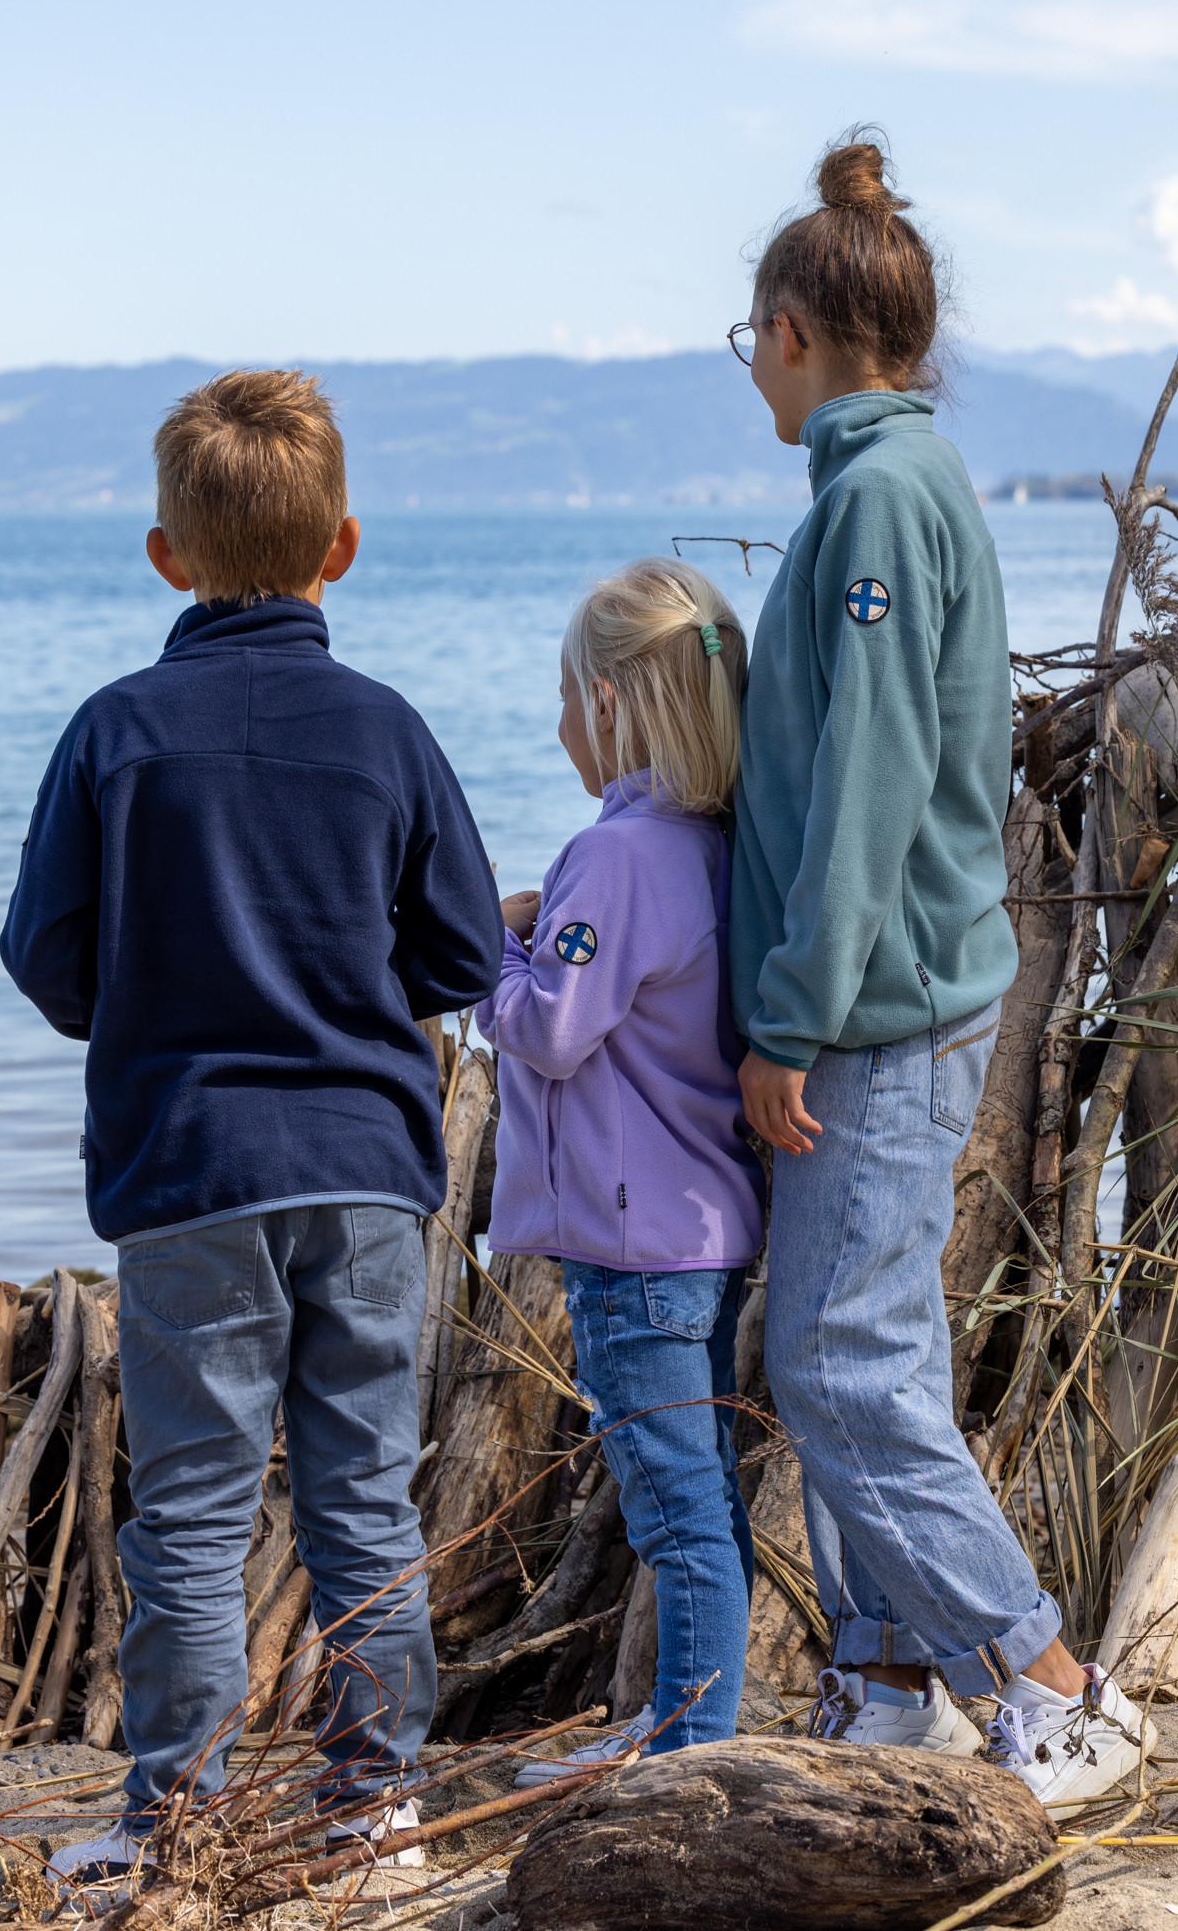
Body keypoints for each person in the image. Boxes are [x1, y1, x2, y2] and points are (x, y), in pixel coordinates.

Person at [1, 369, 504, 1887]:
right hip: (362, 1170)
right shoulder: (384, 730)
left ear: (166, 555)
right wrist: (357, 992)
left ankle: (177, 1819)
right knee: (360, 1495)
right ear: (341, 546)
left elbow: (46, 954)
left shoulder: (117, 733)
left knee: (197, 1517)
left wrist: (149, 1011)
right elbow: (469, 952)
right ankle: (378, 1808)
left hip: (190, 1168)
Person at [729, 131, 1150, 1810]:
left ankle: (1050, 1686)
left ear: (792, 331)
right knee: (863, 1350)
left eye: (750, 339)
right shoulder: (879, 487)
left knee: (834, 1362)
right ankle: (888, 1683)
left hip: (877, 1011)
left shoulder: (879, 501)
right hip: (892, 995)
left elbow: (869, 788)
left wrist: (789, 1014)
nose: (751, 365)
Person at [475, 560, 766, 1784]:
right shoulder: (708, 843)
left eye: (559, 696)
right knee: (697, 1498)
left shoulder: (616, 856)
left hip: (630, 1243)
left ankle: (690, 1745)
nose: (553, 724)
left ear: (607, 701)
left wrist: (492, 944)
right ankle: (683, 1724)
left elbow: (547, 1026)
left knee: (671, 1505)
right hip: (699, 1227)